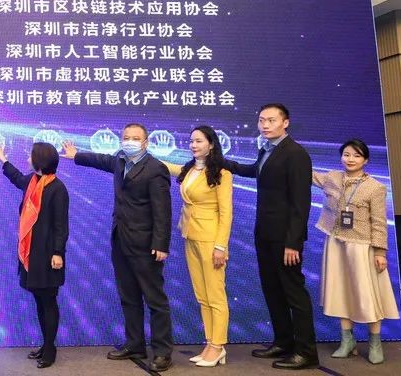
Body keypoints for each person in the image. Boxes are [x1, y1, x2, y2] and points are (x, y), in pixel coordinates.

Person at [62, 123, 174, 372]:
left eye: (135, 138)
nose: (130, 141)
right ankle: (135, 345)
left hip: (146, 245)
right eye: (126, 137)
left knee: (155, 299)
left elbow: (163, 211)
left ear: (145, 143)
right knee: (129, 296)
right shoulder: (121, 161)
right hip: (121, 239)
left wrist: (161, 244)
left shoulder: (156, 169)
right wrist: (76, 155)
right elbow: (101, 160)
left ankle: (162, 352)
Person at [225, 103, 318, 370]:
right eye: (261, 120)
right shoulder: (266, 149)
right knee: (272, 290)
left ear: (285, 123)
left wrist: (293, 242)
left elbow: (301, 203)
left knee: (294, 293)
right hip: (265, 234)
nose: (265, 125)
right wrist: (222, 162)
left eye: (271, 120)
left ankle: (306, 352)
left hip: (285, 239)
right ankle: (283, 342)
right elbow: (255, 171)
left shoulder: (296, 154)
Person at [312, 139, 398, 364]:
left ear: (365, 160)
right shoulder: (332, 178)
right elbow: (306, 173)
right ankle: (347, 341)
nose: (350, 159)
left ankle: (374, 343)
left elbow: (379, 223)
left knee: (367, 294)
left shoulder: (375, 187)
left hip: (361, 246)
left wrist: (380, 252)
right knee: (340, 291)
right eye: (347, 155)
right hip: (335, 242)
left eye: (357, 156)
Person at [0, 142, 69, 369]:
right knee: (39, 299)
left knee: (49, 301)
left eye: (31, 156)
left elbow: (61, 225)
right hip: (31, 253)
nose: (28, 159)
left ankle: (50, 349)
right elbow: (17, 178)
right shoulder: (33, 182)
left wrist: (58, 252)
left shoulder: (57, 188)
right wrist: (2, 160)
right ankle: (45, 345)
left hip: (48, 255)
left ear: (40, 160)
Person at [161, 126, 233, 367]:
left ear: (211, 144)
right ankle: (210, 342)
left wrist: (220, 246)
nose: (193, 145)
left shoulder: (222, 173)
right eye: (192, 141)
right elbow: (169, 167)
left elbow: (226, 214)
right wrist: (143, 154)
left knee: (215, 295)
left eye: (199, 141)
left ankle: (218, 346)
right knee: (202, 295)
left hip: (211, 239)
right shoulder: (190, 169)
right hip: (190, 235)